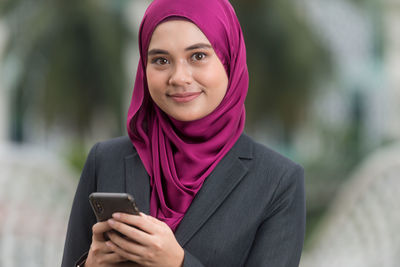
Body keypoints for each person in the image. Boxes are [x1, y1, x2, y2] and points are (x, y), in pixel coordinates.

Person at [61, 0, 306, 266]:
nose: (178, 77)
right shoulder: (105, 160)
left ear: (229, 60)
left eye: (198, 56)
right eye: (161, 60)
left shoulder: (277, 181)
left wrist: (178, 263)